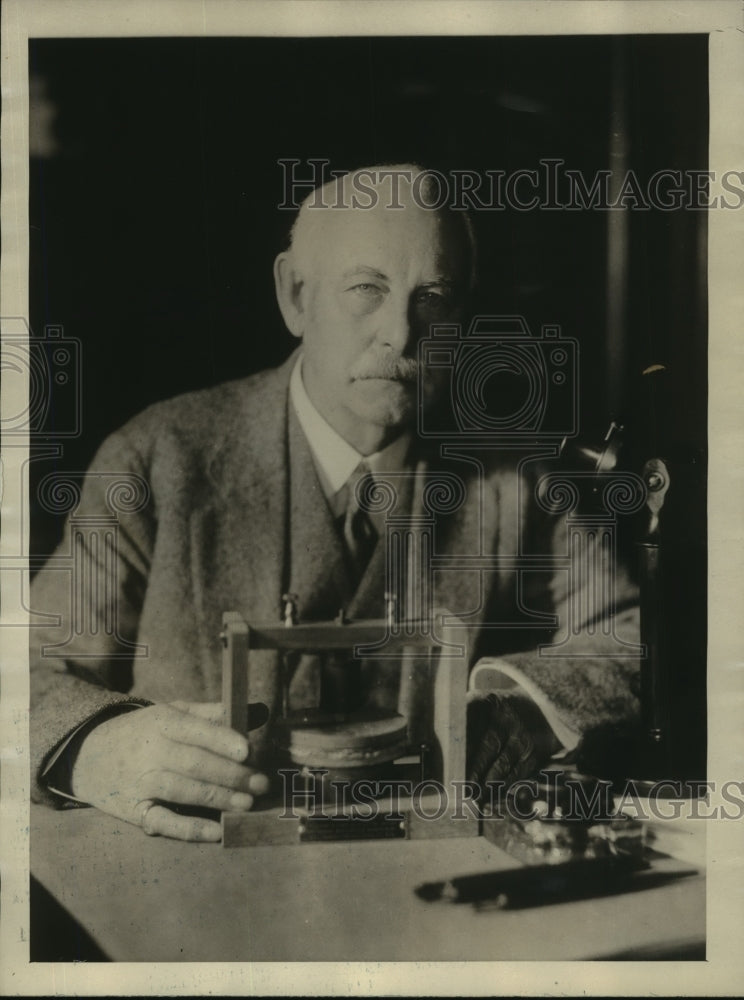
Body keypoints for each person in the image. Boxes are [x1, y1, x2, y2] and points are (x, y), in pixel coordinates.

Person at [29, 164, 640, 841]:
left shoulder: (520, 476)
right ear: (295, 295)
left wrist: (518, 703)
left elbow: (630, 638)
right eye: (365, 290)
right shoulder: (157, 461)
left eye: (431, 297)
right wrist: (97, 748)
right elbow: (25, 676)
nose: (401, 335)